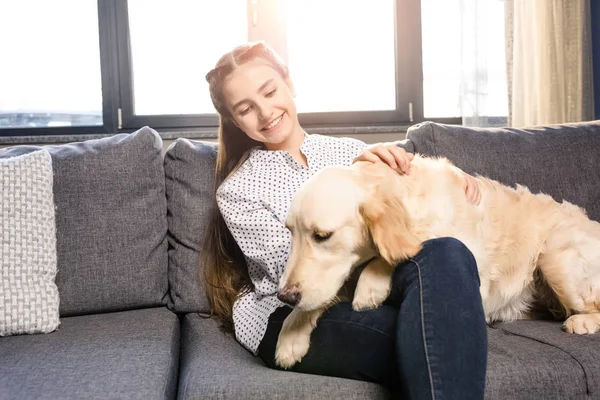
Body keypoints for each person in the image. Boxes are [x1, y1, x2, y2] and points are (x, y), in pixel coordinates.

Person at [201, 41, 488, 399]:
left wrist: (450, 176)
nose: (265, 112)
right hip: (290, 311)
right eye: (245, 108)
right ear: (233, 119)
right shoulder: (238, 190)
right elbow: (293, 280)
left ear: (289, 83)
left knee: (447, 253)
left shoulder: (352, 152)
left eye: (270, 91)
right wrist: (377, 268)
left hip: (375, 289)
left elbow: (410, 209)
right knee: (437, 332)